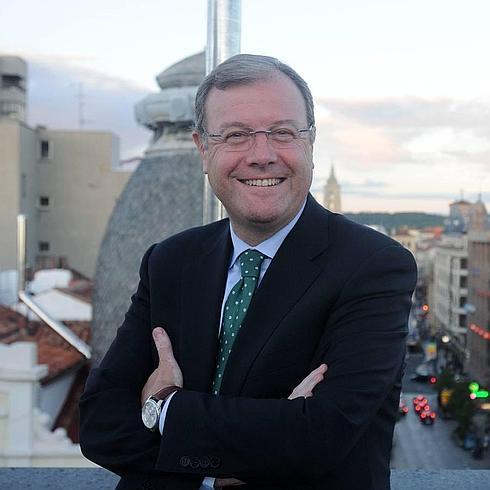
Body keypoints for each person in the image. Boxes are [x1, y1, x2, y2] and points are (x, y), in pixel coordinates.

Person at [79, 54, 417, 490]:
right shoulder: (170, 260)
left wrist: (163, 407)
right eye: (237, 135)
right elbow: (100, 422)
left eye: (282, 132)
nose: (262, 156)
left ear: (310, 143)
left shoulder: (375, 266)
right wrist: (233, 463)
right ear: (204, 149)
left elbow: (321, 436)